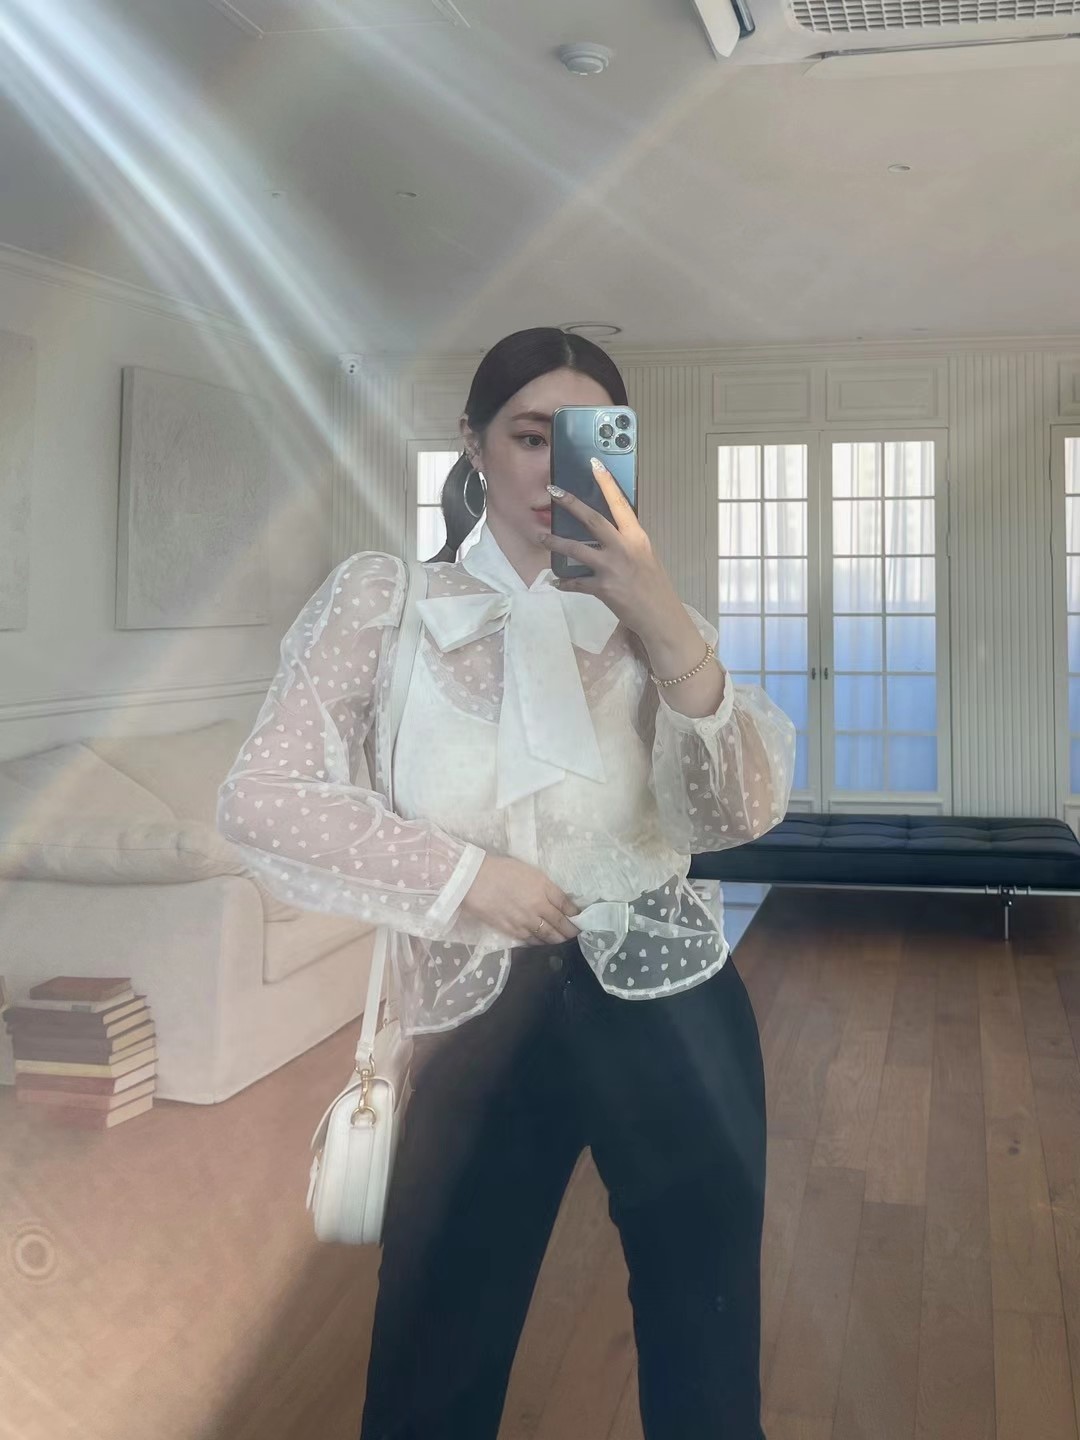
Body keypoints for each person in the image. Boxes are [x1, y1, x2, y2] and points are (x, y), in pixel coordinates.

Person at [217, 327, 796, 1439]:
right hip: (471, 1020)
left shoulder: (655, 621)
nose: (554, 468)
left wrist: (659, 614)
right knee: (431, 1366)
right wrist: (465, 876)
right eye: (531, 436)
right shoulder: (385, 603)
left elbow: (733, 814)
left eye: (587, 440)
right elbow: (264, 798)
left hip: (673, 1003)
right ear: (473, 444)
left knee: (709, 1367)